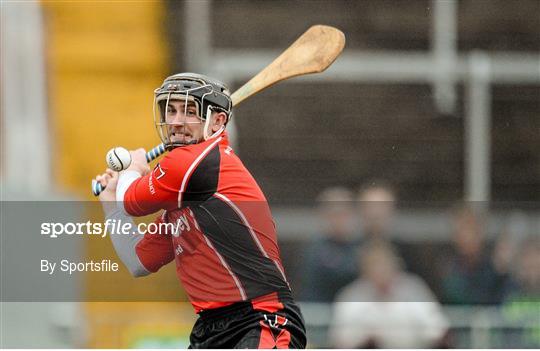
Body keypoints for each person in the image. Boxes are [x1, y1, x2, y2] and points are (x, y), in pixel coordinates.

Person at [95, 73, 306, 348]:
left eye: (189, 111)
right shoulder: (182, 199)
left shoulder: (199, 161)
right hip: (210, 329)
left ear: (218, 121)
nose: (176, 121)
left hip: (261, 319)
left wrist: (132, 168)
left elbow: (132, 202)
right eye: (170, 110)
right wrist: (110, 204)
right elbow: (138, 261)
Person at [329, 241, 449, 348]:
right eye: (374, 264)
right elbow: (339, 339)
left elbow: (437, 329)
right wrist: (365, 339)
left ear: (395, 265)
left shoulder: (413, 289)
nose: (380, 270)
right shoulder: (351, 296)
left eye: (384, 264)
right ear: (364, 268)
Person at [440, 204, 509, 305]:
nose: (465, 236)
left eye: (469, 229)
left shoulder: (495, 270)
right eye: (460, 231)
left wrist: (502, 274)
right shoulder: (448, 272)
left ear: (479, 233)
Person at [300, 187, 359, 302]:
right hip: (319, 313)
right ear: (323, 215)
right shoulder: (316, 248)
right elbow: (337, 275)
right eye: (335, 214)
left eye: (345, 213)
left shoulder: (358, 245)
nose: (340, 220)